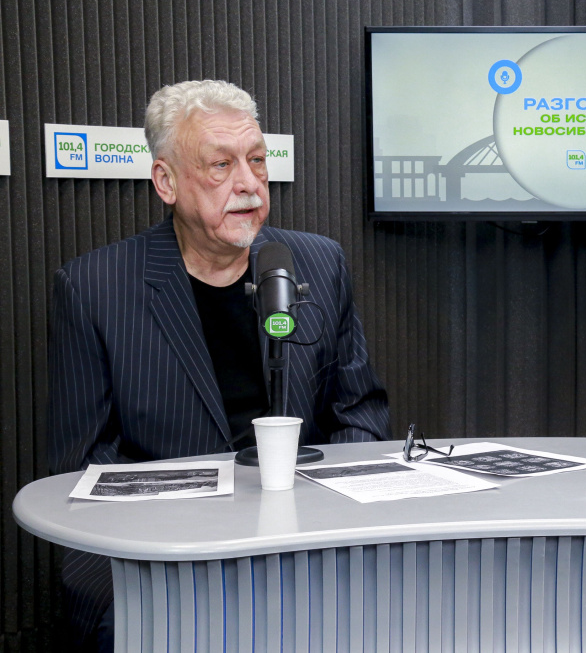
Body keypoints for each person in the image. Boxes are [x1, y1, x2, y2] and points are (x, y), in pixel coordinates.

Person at [47, 80, 390, 650]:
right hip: (163, 551)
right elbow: (83, 470)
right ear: (166, 181)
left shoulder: (318, 262)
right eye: (220, 165)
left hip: (307, 536)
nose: (249, 184)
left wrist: (326, 520)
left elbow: (360, 415)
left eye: (257, 160)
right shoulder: (94, 288)